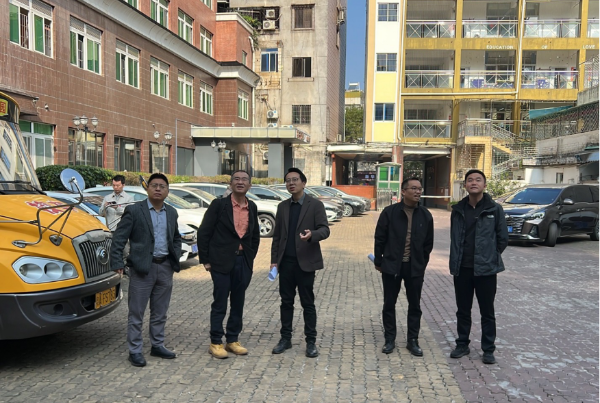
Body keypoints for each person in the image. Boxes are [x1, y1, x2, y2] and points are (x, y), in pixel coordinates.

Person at [110, 173, 182, 367]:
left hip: (165, 267)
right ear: (147, 188)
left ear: (167, 191)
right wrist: (117, 262)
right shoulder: (135, 210)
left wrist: (175, 256)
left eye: (162, 186)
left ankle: (157, 345)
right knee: (136, 313)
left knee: (160, 311)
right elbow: (119, 238)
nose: (158, 189)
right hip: (142, 269)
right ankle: (135, 350)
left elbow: (176, 237)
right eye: (154, 185)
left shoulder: (172, 212)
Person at [197, 170, 260, 359]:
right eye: (236, 179)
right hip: (220, 262)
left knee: (238, 302)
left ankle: (232, 340)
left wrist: (250, 257)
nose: (240, 182)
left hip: (243, 261)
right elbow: (204, 232)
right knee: (220, 302)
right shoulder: (219, 205)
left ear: (249, 185)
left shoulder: (252, 206)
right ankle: (216, 342)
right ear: (231, 184)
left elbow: (254, 235)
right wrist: (206, 260)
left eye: (244, 179)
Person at [449, 169, 508, 365]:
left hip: (486, 270)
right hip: (462, 268)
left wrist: (490, 256)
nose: (473, 182)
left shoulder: (494, 209)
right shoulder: (458, 210)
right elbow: (454, 238)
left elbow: (502, 239)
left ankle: (488, 349)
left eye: (478, 180)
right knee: (463, 310)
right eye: (470, 180)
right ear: (465, 185)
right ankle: (462, 344)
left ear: (484, 185)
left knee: (487, 311)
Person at [270, 168, 330, 358]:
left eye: (295, 180)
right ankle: (285, 339)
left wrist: (313, 235)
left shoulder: (315, 205)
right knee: (286, 302)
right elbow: (277, 237)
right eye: (288, 180)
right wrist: (274, 262)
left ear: (303, 183)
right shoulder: (283, 207)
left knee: (307, 303)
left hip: (305, 262)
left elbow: (325, 230)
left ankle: (311, 341)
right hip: (286, 263)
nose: (291, 183)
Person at [373, 177, 434, 356]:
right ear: (403, 191)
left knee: (415, 305)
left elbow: (428, 243)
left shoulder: (425, 215)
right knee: (389, 304)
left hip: (414, 268)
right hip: (392, 266)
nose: (417, 191)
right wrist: (379, 261)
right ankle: (389, 339)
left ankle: (412, 340)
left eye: (419, 188)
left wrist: (422, 263)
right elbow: (380, 238)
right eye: (413, 188)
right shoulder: (390, 212)